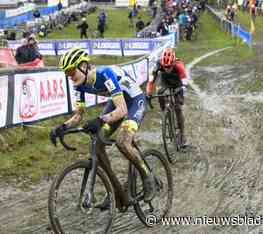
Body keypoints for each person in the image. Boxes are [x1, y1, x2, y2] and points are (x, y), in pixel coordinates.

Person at [50, 48, 156, 209]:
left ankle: (148, 177)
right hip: (117, 102)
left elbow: (122, 111)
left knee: (122, 142)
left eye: (71, 71)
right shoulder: (79, 85)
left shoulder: (105, 73)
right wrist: (62, 127)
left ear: (84, 66)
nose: (70, 76)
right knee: (97, 143)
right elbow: (78, 116)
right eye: (66, 73)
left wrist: (100, 120)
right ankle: (116, 191)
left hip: (134, 102)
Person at [146, 48, 188, 147]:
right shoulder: (158, 65)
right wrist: (148, 93)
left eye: (169, 67)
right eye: (165, 67)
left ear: (173, 62)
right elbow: (151, 81)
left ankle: (182, 134)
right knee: (159, 91)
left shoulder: (179, 65)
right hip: (164, 80)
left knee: (178, 107)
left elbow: (185, 83)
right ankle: (164, 111)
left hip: (177, 82)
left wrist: (181, 91)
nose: (167, 69)